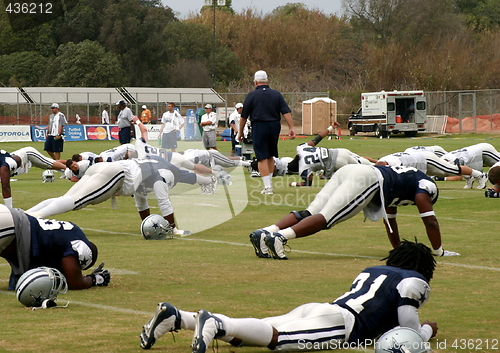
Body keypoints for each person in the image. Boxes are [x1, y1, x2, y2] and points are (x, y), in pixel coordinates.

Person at [139, 239, 438, 351]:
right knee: (273, 338)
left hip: (322, 309)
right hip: (340, 325)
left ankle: (178, 318)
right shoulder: (415, 281)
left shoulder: (374, 270)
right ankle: (216, 324)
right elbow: (408, 330)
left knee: (257, 330)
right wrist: (427, 331)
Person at [250, 164, 460, 260]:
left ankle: (266, 232)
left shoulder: (406, 182)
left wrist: (398, 249)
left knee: (311, 211)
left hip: (353, 170)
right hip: (367, 178)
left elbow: (390, 220)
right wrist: (439, 251)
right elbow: (430, 222)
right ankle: (279, 237)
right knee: (326, 219)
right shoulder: (426, 188)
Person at [25, 154, 217, 235]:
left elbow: (141, 203)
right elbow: (164, 203)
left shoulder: (151, 170)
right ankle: (33, 219)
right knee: (76, 202)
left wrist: (147, 224)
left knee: (66, 199)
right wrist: (173, 229)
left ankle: (24, 214)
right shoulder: (161, 178)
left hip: (106, 169)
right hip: (116, 174)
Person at [0, 204, 110, 291]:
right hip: (12, 224)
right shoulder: (80, 245)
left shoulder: (66, 235)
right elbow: (75, 282)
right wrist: (95, 279)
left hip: (11, 218)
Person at [238, 70, 296, 195]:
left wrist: (240, 132)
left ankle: (268, 187)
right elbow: (286, 112)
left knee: (261, 157)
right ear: (267, 81)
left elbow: (244, 116)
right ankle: (269, 185)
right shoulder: (276, 94)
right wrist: (291, 127)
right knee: (270, 155)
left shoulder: (252, 95)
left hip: (259, 125)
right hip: (274, 125)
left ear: (255, 82)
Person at [376, 151, 488, 188]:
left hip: (426, 158)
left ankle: (480, 175)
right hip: (419, 164)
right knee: (444, 174)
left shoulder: (394, 164)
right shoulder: (382, 163)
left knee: (450, 170)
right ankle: (469, 177)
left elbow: (402, 177)